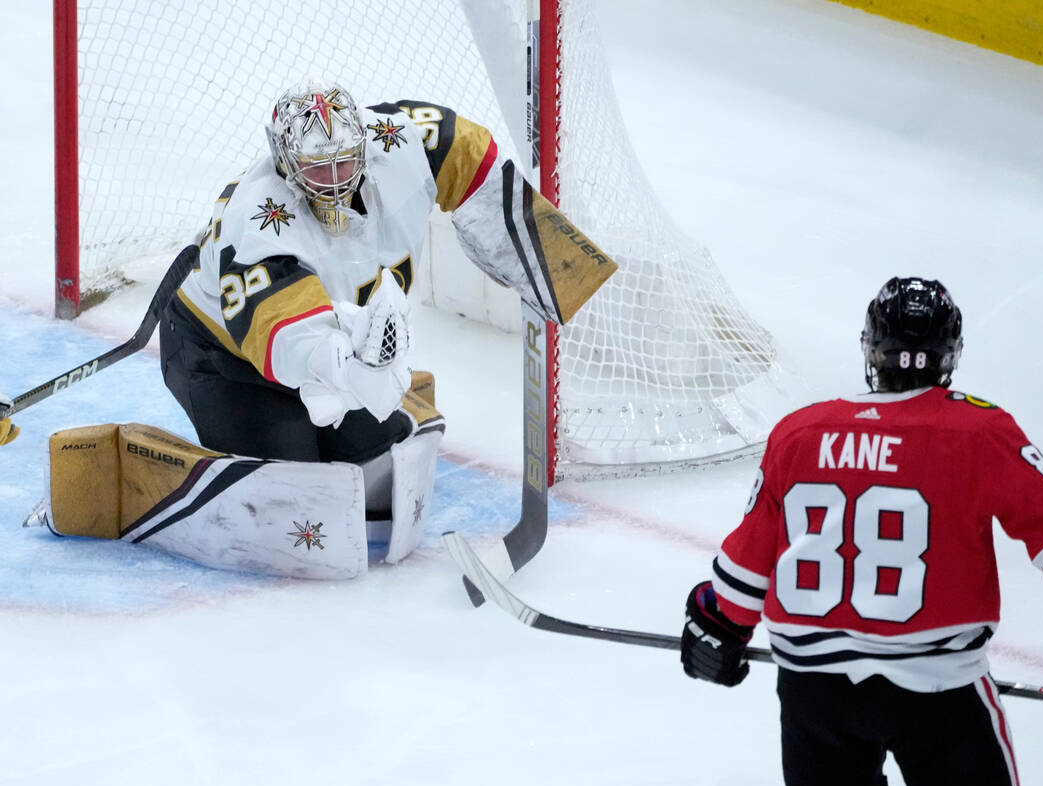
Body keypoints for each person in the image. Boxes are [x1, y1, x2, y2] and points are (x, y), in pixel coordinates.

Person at [26, 78, 614, 577]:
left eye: (344, 161)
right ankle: (137, 479)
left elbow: (470, 153)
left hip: (332, 324)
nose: (335, 179)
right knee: (296, 488)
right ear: (285, 162)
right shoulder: (259, 217)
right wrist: (349, 369)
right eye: (317, 167)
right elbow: (288, 334)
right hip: (220, 355)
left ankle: (369, 405)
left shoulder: (401, 143)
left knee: (367, 456)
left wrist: (543, 260)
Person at [679, 277, 1043, 786]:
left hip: (814, 699)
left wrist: (719, 626)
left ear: (870, 346)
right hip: (939, 696)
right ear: (949, 353)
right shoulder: (979, 431)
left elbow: (743, 576)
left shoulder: (798, 432)